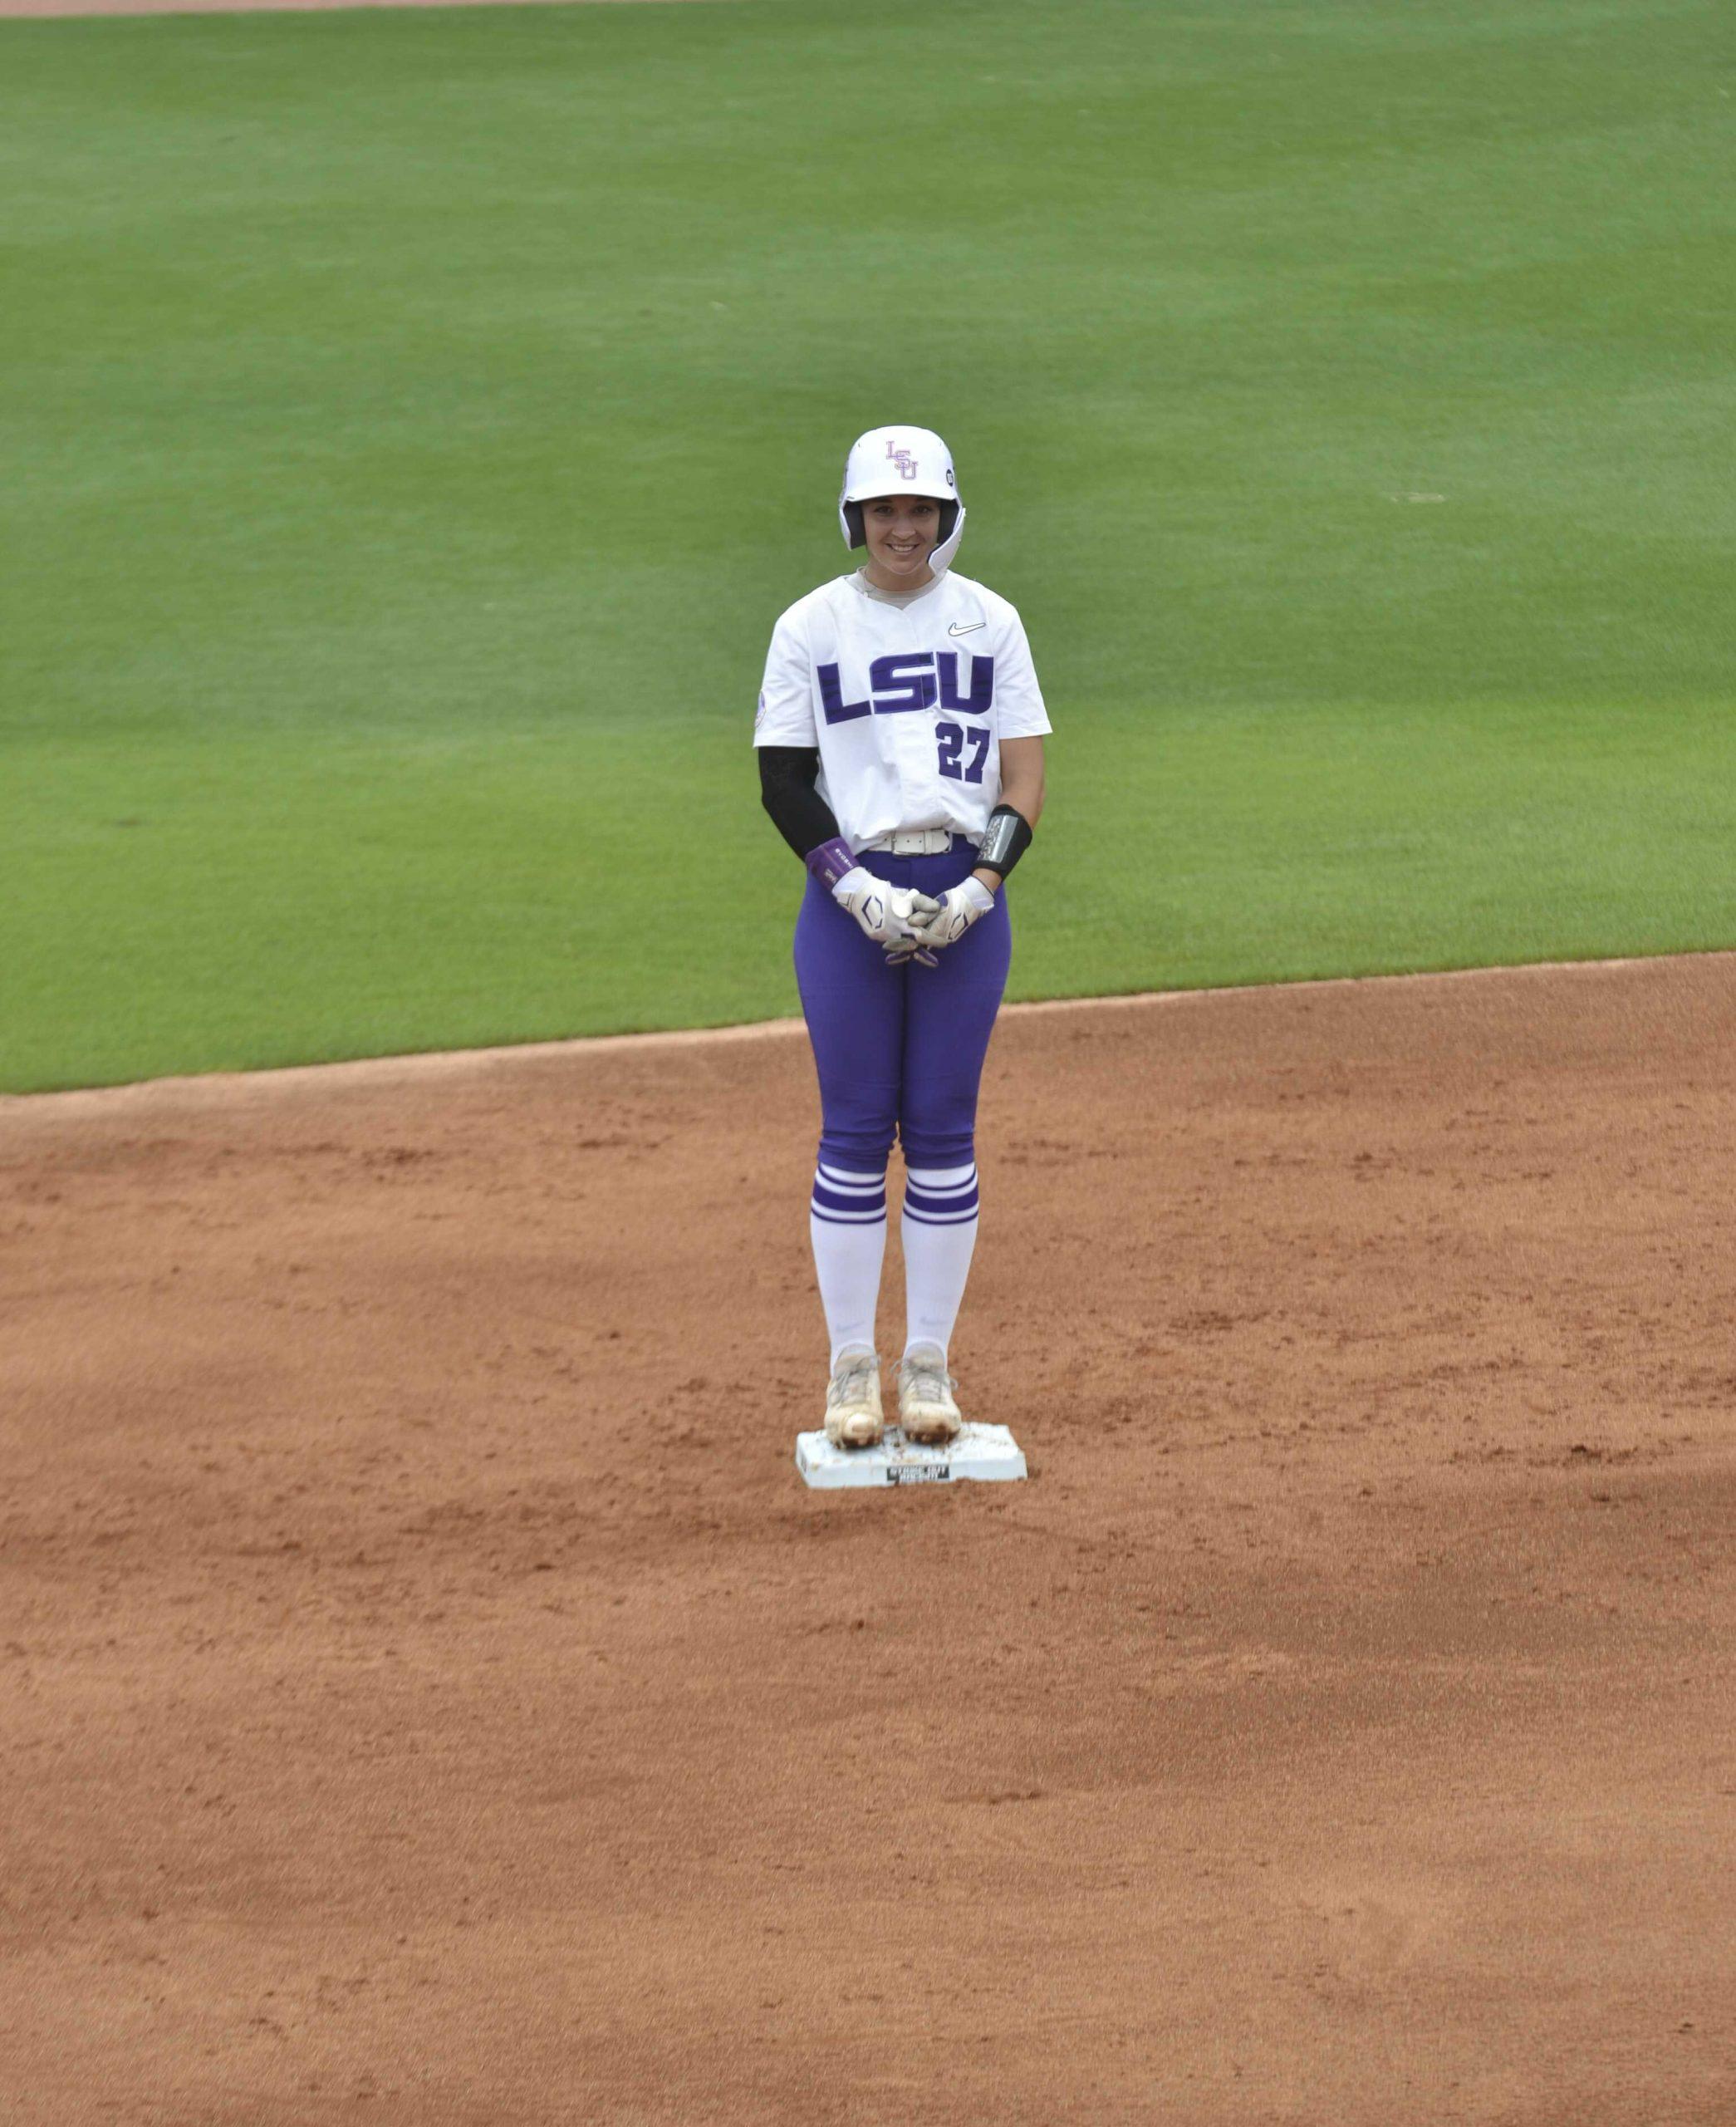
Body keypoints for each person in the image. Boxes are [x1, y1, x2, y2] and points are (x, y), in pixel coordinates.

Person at [754, 425, 1050, 1449]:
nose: (902, 528)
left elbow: (1022, 778)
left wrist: (977, 888)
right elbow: (782, 782)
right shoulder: (808, 626)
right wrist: (851, 888)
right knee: (851, 1131)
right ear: (855, 519)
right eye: (884, 510)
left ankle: (926, 1363)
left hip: (962, 894)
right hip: (848, 902)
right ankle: (850, 1371)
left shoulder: (991, 621)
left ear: (946, 518)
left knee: (940, 1128)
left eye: (919, 511)